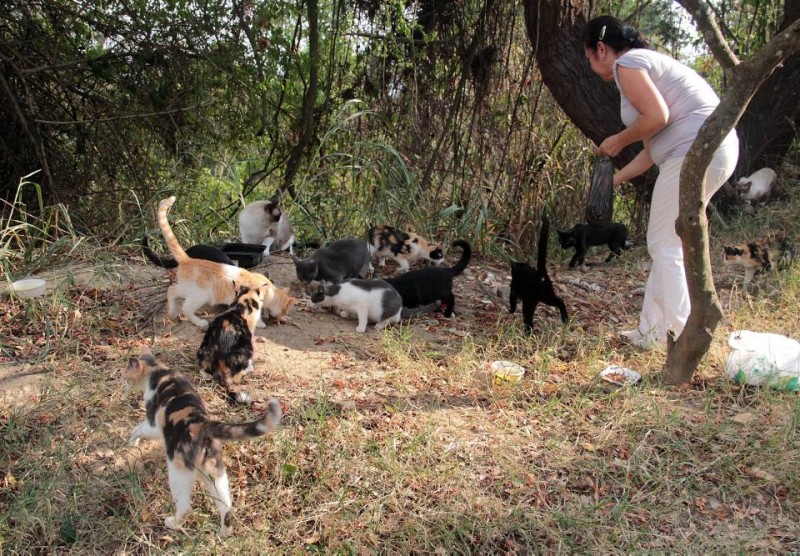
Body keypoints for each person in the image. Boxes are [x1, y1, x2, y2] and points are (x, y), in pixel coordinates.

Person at [582, 15, 738, 348]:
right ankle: (651, 332)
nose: (591, 65)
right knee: (668, 241)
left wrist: (618, 141)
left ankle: (686, 337)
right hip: (710, 150)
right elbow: (651, 152)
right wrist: (612, 181)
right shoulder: (643, 66)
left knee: (664, 243)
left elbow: (658, 117)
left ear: (600, 49)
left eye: (589, 58)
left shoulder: (629, 64)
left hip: (696, 151)